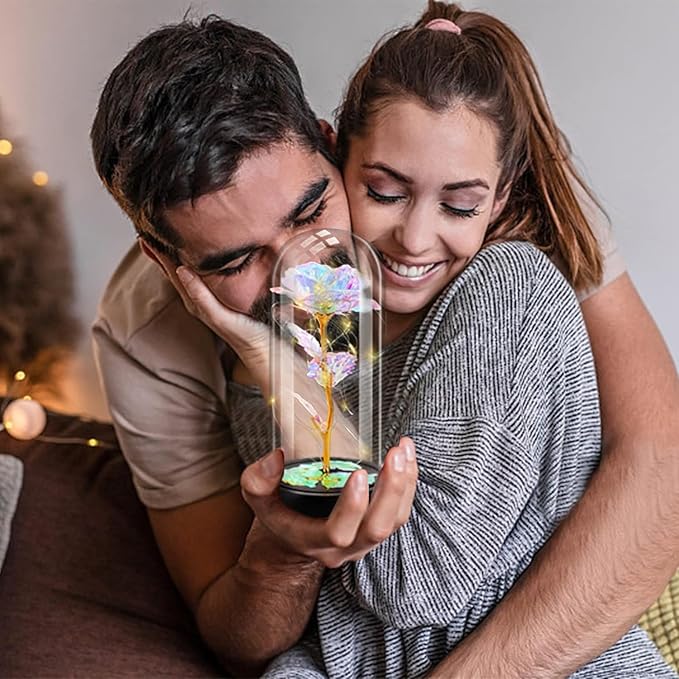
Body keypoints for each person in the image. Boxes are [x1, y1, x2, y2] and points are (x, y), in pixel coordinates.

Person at [90, 3, 679, 677]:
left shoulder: (494, 209)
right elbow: (238, 630)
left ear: (328, 142)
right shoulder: (143, 334)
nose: (303, 267)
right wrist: (282, 543)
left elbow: (660, 460)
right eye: (234, 260)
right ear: (168, 262)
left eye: (311, 209)